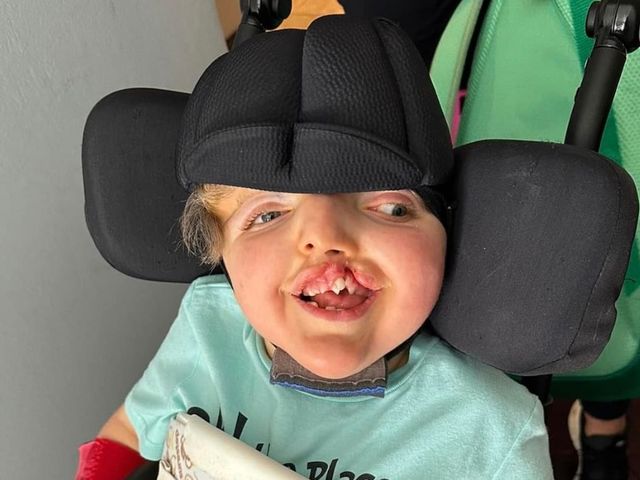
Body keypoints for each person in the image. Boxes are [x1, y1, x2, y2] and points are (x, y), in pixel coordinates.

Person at [75, 15, 553, 479]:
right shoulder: (207, 327)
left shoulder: (494, 433)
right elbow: (130, 432)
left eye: (391, 208)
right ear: (220, 252)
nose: (326, 238)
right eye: (268, 215)